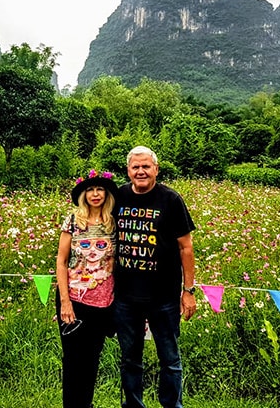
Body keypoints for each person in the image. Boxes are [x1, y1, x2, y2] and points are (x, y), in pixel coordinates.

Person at [114, 146, 197, 408]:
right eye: (135, 167)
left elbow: (186, 247)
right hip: (126, 296)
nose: (141, 171)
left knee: (170, 360)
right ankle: (133, 406)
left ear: (156, 170)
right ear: (128, 171)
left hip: (164, 297)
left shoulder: (171, 200)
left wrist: (189, 290)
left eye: (146, 166)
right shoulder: (118, 196)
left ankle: (172, 406)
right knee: (130, 359)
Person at [56, 169, 119, 408]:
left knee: (92, 359)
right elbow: (61, 261)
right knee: (73, 360)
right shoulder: (73, 221)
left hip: (104, 302)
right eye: (90, 189)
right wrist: (65, 302)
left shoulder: (114, 222)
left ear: (107, 193)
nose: (95, 194)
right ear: (83, 194)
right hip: (74, 300)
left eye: (100, 189)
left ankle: (86, 404)